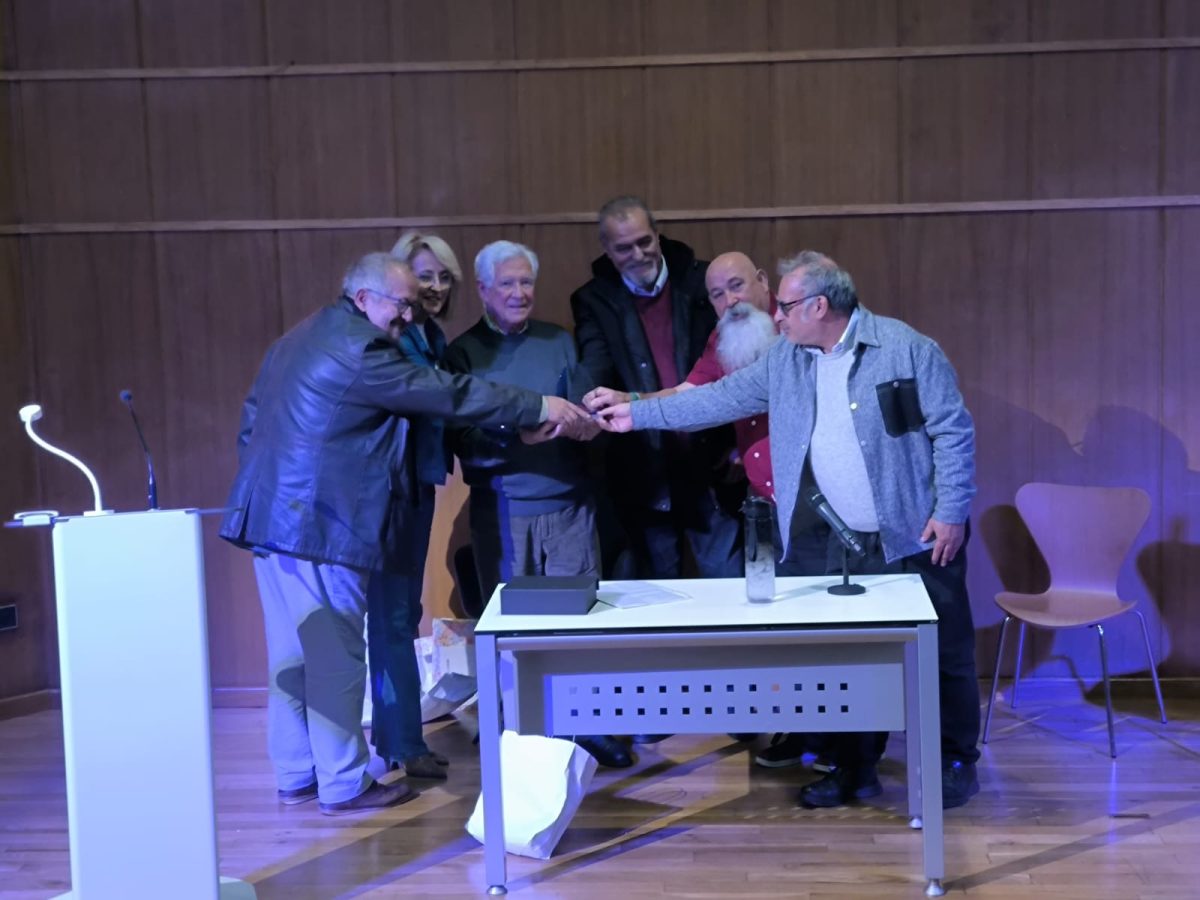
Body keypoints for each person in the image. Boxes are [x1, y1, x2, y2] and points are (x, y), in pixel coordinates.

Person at [591, 250, 981, 809]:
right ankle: (854, 768)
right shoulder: (787, 361)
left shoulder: (907, 348)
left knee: (942, 652)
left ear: (819, 307)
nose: (776, 316)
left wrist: (952, 510)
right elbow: (717, 398)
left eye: (787, 307)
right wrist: (636, 411)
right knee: (850, 660)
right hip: (839, 539)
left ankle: (954, 762)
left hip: (916, 532)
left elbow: (953, 432)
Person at [220, 252, 588, 815]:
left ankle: (296, 774)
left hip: (271, 521)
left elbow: (250, 422)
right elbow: (447, 393)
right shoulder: (361, 349)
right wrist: (539, 404)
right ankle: (344, 783)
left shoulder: (298, 338)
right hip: (321, 527)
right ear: (363, 298)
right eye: (403, 304)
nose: (411, 317)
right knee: (337, 659)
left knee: (291, 659)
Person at [442, 240, 632, 769]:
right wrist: (516, 434)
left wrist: (588, 424)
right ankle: (517, 732)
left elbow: (586, 411)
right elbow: (460, 440)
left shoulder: (558, 341)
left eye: (526, 282)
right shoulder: (462, 354)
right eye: (507, 283)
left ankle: (585, 728)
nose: (519, 293)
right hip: (503, 511)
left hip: (570, 506)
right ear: (484, 290)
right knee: (512, 632)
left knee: (577, 628)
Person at [571, 196, 743, 583]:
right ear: (606, 250)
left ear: (657, 233)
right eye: (623, 248)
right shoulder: (593, 299)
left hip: (714, 463)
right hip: (645, 470)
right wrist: (583, 405)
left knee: (731, 589)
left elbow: (741, 366)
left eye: (644, 241)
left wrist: (740, 444)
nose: (638, 254)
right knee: (656, 597)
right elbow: (594, 364)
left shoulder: (702, 281)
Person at [360, 232, 463, 781]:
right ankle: (401, 742)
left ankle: (398, 737)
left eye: (444, 277)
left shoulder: (430, 334)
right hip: (389, 489)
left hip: (416, 484)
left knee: (402, 612)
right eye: (425, 276)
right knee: (393, 615)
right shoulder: (390, 339)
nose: (436, 287)